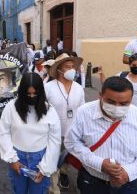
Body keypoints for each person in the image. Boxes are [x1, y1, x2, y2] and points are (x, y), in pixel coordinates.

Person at [65, 76, 137, 194]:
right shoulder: (84, 112)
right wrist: (98, 163)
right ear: (100, 95)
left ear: (131, 100)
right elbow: (71, 142)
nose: (117, 107)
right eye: (110, 102)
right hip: (92, 182)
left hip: (126, 184)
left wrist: (128, 172)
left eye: (124, 103)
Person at [0, 73, 61, 194]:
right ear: (22, 92)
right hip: (18, 158)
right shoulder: (11, 108)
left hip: (41, 159)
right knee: (19, 191)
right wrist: (12, 159)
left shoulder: (50, 111)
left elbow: (54, 141)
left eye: (35, 94)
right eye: (28, 94)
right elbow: (4, 133)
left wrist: (45, 168)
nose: (32, 97)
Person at [44, 53, 85, 192]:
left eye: (73, 67)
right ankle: (53, 189)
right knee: (52, 161)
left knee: (67, 159)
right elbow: (43, 111)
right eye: (68, 67)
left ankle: (64, 173)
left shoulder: (78, 88)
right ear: (59, 69)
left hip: (73, 133)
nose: (72, 70)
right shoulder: (48, 87)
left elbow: (82, 110)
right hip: (53, 133)